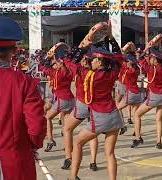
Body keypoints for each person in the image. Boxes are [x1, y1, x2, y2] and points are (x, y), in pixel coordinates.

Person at [0, 16, 46, 180]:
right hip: (13, 162)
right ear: (14, 51)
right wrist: (33, 144)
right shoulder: (24, 82)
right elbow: (36, 126)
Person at [70, 37, 125, 180]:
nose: (90, 61)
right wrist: (111, 39)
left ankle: (72, 176)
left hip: (100, 117)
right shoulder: (112, 73)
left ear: (99, 61)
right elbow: (119, 57)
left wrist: (82, 47)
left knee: (77, 142)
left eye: (93, 59)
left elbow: (72, 61)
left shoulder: (88, 75)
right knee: (110, 154)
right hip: (114, 115)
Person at [61, 54, 99, 171]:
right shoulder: (99, 73)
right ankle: (93, 162)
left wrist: (77, 51)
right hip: (95, 105)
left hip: (82, 104)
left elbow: (67, 60)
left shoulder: (81, 72)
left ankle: (68, 157)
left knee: (67, 128)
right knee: (93, 133)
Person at [131, 49, 162, 149]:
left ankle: (138, 137)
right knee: (159, 119)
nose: (150, 59)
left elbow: (140, 60)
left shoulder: (151, 69)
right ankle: (159, 142)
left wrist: (146, 48)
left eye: (152, 58)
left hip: (154, 96)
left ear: (155, 60)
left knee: (137, 114)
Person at [40, 51, 75, 152]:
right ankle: (68, 145)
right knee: (67, 125)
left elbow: (44, 68)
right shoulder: (69, 72)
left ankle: (50, 140)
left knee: (47, 117)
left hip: (62, 99)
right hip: (70, 99)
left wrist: (48, 58)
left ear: (60, 63)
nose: (54, 65)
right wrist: (55, 58)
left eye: (56, 63)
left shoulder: (56, 73)